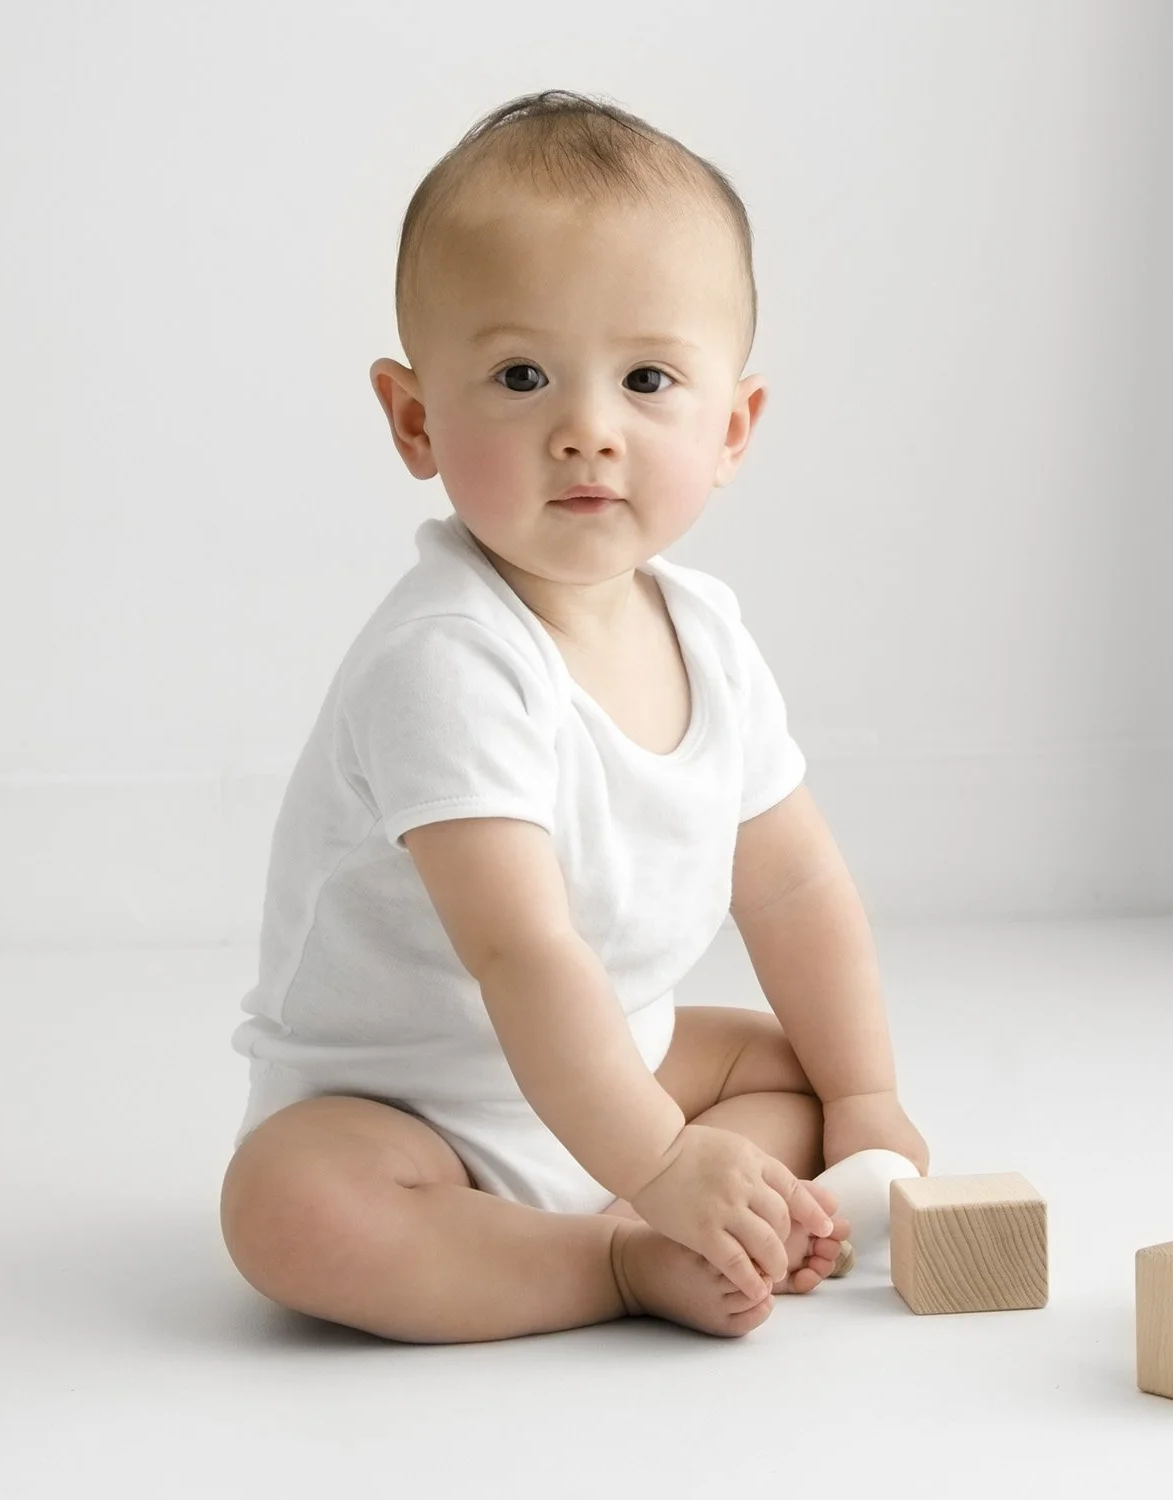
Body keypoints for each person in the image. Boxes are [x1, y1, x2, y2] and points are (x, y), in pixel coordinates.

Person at [219, 89, 929, 1345]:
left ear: (731, 428)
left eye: (647, 379)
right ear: (417, 419)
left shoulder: (707, 634)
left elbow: (795, 885)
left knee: (791, 1065)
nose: (587, 432)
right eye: (521, 376)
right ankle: (618, 1259)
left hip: (618, 1069)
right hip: (417, 1118)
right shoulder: (447, 658)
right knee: (290, 1206)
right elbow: (523, 956)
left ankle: (672, 1215)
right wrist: (663, 1162)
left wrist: (867, 1099)